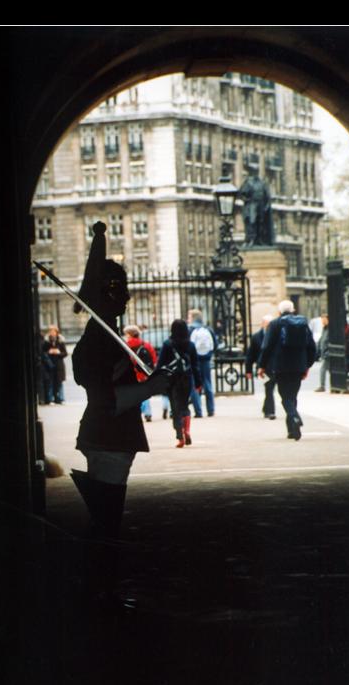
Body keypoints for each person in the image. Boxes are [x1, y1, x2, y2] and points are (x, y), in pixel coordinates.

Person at [70, 221, 173, 611]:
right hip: (107, 435)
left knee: (106, 520)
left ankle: (100, 588)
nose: (126, 299)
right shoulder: (96, 343)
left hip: (111, 437)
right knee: (106, 522)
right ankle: (101, 592)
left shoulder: (107, 338)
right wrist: (151, 387)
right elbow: (109, 400)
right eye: (118, 292)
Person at [258, 299, 316, 441]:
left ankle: (294, 417)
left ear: (279, 311)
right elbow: (311, 346)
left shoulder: (275, 324)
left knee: (285, 398)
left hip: (281, 366)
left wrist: (262, 365)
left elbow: (267, 347)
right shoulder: (303, 323)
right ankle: (292, 431)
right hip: (298, 366)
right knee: (293, 396)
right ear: (293, 310)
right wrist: (307, 365)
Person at [156, 319, 202, 448]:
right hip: (187, 379)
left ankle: (180, 437)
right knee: (184, 405)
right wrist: (198, 383)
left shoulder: (167, 344)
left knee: (175, 408)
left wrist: (156, 378)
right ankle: (187, 430)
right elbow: (195, 365)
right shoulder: (191, 345)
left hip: (172, 380)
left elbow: (160, 364)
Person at [123, 324, 158, 422]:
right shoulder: (146, 345)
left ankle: (137, 412)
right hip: (144, 374)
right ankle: (148, 413)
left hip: (132, 373)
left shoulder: (125, 345)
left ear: (129, 335)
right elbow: (154, 359)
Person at [246, 315, 276, 419]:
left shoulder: (276, 335)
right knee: (269, 388)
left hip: (275, 366)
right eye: (267, 324)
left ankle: (267, 409)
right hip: (262, 368)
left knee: (270, 389)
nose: (268, 327)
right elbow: (251, 355)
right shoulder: (256, 337)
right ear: (262, 324)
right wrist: (248, 370)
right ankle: (270, 411)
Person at [187, 308, 216, 418]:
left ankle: (198, 412)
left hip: (194, 361)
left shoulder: (189, 330)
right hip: (206, 360)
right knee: (207, 384)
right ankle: (211, 410)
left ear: (193, 318)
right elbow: (215, 344)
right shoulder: (208, 329)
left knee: (194, 385)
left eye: (189, 317)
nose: (188, 319)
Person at [238, 168, 275, 247]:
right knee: (251, 222)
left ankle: (259, 239)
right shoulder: (248, 183)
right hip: (251, 205)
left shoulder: (262, 183)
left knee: (260, 223)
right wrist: (246, 199)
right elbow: (241, 194)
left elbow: (267, 197)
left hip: (260, 207)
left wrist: (266, 206)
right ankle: (251, 239)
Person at [42, 325, 68, 404]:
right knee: (50, 383)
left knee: (59, 383)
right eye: (51, 331)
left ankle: (60, 398)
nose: (52, 333)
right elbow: (43, 353)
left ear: (57, 332)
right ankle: (50, 398)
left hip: (59, 365)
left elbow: (65, 353)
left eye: (54, 331)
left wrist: (58, 352)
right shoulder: (46, 342)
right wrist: (49, 352)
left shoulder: (60, 341)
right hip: (49, 365)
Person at [315, 313, 330, 392]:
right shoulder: (324, 329)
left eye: (324, 320)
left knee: (323, 369)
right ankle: (335, 385)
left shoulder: (330, 329)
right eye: (322, 320)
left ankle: (322, 386)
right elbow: (321, 341)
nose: (322, 321)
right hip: (324, 353)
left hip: (328, 353)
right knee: (331, 370)